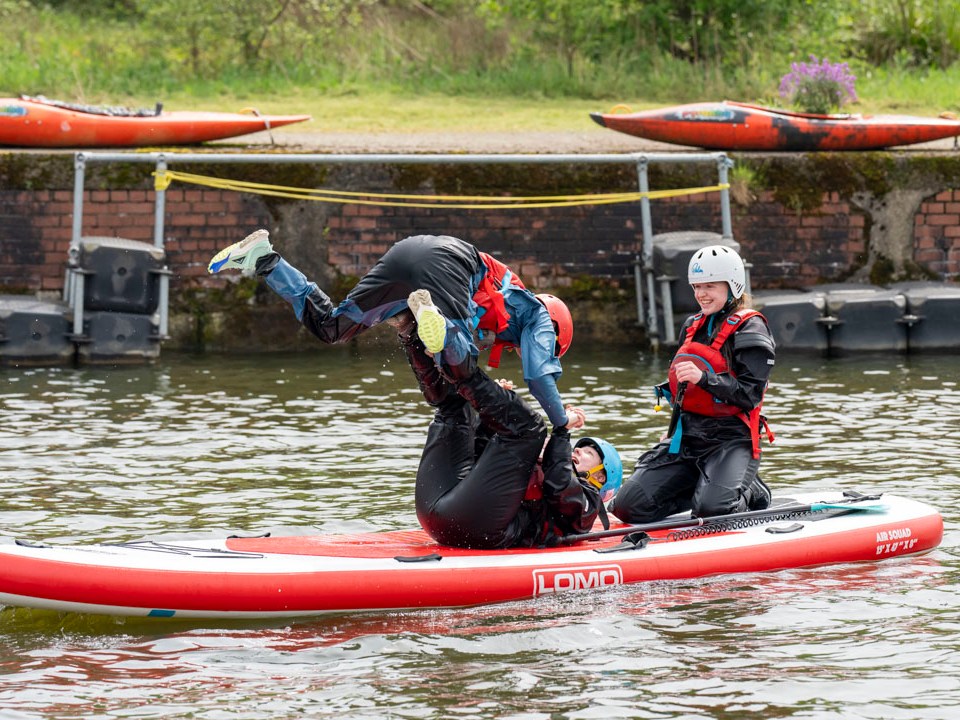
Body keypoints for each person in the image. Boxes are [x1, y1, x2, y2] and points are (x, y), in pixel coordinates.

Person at [207, 230, 584, 434]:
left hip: (407, 251)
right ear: (556, 330)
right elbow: (539, 377)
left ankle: (265, 259)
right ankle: (431, 317)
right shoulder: (538, 316)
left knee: (332, 327)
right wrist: (562, 420)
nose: (521, 353)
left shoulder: (499, 306)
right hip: (449, 263)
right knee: (460, 364)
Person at [608, 245, 775, 525]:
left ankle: (752, 492)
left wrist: (705, 378)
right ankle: (705, 485)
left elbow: (750, 395)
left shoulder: (751, 329)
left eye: (709, 286)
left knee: (711, 513)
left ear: (732, 284)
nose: (701, 294)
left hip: (732, 440)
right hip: (688, 438)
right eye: (697, 286)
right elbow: (684, 392)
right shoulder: (692, 325)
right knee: (628, 507)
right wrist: (670, 433)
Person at [413, 365, 624, 549]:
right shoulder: (540, 466)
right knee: (454, 410)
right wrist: (491, 414)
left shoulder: (588, 505)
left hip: (478, 530)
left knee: (530, 430)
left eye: (589, 453)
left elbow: (559, 484)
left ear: (601, 478)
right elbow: (478, 456)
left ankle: (463, 371)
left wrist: (561, 431)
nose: (578, 451)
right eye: (579, 448)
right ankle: (409, 331)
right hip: (439, 509)